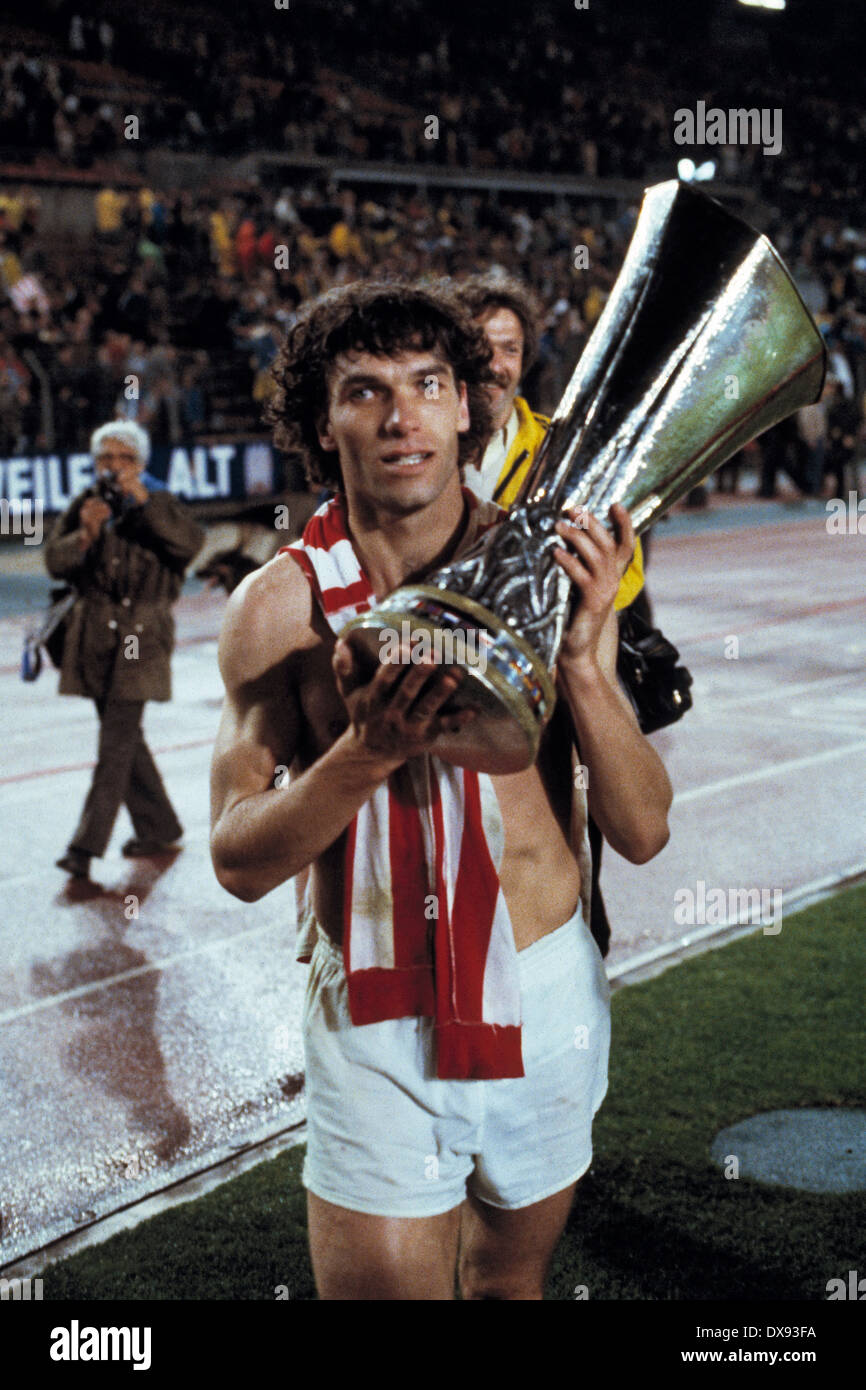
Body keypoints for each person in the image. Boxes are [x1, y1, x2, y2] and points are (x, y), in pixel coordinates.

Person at [209, 282, 672, 1300]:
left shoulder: (548, 569)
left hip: (547, 991)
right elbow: (237, 859)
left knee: (509, 1285)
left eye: (426, 383)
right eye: (364, 392)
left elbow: (641, 829)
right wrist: (362, 755)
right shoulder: (278, 610)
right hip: (381, 1015)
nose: (401, 415)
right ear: (320, 425)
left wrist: (587, 663)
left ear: (466, 404)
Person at [46, 420, 204, 879]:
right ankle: (160, 826)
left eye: (124, 458)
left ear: (141, 463)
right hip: (94, 638)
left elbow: (188, 545)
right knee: (126, 738)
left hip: (142, 638)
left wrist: (145, 504)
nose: (114, 468)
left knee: (114, 743)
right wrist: (84, 536)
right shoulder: (87, 503)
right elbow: (54, 562)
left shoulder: (161, 502)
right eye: (105, 459)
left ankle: (83, 847)